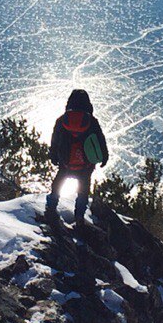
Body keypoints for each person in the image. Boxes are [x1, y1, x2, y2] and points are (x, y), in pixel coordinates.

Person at [45, 88, 109, 229]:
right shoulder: (92, 121)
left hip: (65, 163)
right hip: (85, 166)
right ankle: (79, 216)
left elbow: (55, 140)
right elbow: (100, 140)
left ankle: (50, 208)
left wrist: (53, 155)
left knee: (57, 185)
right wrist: (104, 156)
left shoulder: (61, 120)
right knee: (83, 191)